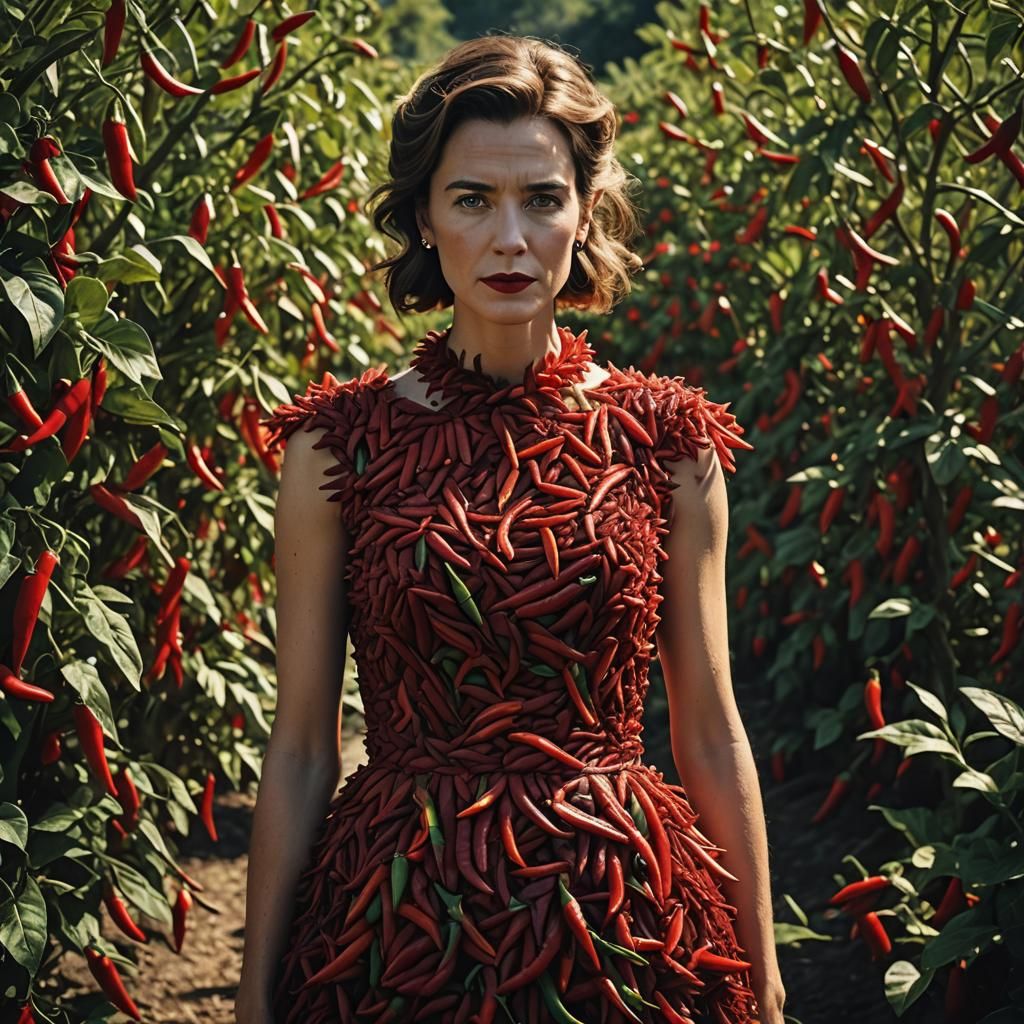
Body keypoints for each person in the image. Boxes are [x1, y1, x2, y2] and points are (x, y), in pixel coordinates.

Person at [236, 33, 785, 1024]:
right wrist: (253, 990)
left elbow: (706, 724)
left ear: (584, 213)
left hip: (618, 920)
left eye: (542, 197)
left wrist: (765, 972)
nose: (510, 238)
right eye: (472, 199)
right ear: (422, 218)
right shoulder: (333, 445)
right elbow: (303, 744)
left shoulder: (668, 442)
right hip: (396, 923)